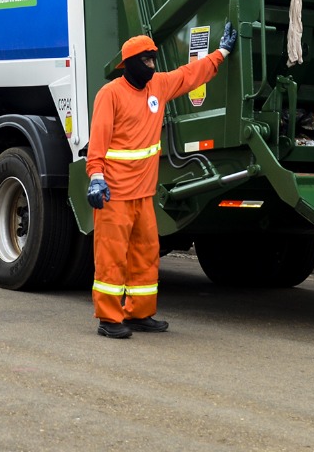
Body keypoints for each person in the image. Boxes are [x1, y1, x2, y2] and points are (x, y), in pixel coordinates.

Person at [85, 24, 237, 339]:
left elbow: (189, 74)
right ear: (128, 64)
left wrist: (221, 53)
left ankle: (139, 314)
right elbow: (98, 141)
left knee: (146, 251)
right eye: (146, 60)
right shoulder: (110, 94)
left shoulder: (158, 86)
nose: (152, 66)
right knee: (111, 256)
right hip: (114, 194)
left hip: (143, 194)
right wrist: (96, 177)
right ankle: (109, 319)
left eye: (154, 59)